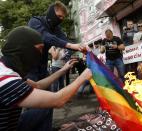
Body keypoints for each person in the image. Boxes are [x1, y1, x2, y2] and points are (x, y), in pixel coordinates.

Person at [0, 26, 92, 131]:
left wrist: (63, 69)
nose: (41, 55)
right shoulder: (6, 80)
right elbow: (58, 100)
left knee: (44, 107)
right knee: (49, 103)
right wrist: (83, 77)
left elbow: (37, 85)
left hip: (14, 124)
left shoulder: (8, 69)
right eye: (39, 49)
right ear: (25, 48)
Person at [18, 1, 86, 131]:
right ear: (51, 13)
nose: (61, 20)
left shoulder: (56, 29)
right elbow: (46, 37)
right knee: (35, 105)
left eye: (63, 18)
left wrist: (81, 46)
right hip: (29, 70)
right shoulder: (35, 22)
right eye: (59, 16)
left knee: (48, 103)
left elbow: (64, 40)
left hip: (42, 69)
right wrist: (71, 45)